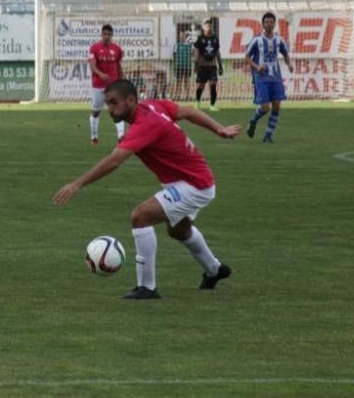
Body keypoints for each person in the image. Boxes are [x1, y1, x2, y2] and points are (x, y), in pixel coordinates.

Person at [53, 79, 238, 299]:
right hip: (191, 180)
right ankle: (215, 270)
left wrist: (77, 184)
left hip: (194, 185)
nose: (110, 109)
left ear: (130, 100)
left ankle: (147, 287)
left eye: (113, 103)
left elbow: (114, 161)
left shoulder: (146, 124)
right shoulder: (152, 106)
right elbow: (187, 112)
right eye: (107, 104)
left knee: (140, 217)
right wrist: (219, 129)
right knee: (178, 230)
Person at [244, 12, 293, 143]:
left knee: (276, 106)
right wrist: (256, 66)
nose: (269, 24)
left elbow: (285, 53)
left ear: (274, 24)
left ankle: (268, 135)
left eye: (271, 22)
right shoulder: (257, 40)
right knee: (265, 108)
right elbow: (247, 57)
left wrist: (289, 64)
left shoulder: (279, 40)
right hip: (261, 77)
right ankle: (252, 122)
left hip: (275, 77)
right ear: (263, 24)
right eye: (267, 22)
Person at [89, 24, 125, 145]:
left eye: (109, 34)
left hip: (113, 85)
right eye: (105, 34)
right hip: (98, 85)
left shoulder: (117, 49)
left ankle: (121, 137)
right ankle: (94, 136)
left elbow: (118, 65)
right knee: (96, 111)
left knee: (117, 110)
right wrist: (101, 74)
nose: (107, 36)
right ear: (101, 35)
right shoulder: (94, 48)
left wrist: (121, 79)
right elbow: (92, 66)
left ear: (112, 36)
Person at [193, 21, 223, 111]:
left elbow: (217, 52)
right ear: (204, 28)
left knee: (213, 84)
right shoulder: (200, 38)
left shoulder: (215, 39)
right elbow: (196, 52)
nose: (209, 28)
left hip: (212, 66)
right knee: (200, 86)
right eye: (207, 26)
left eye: (210, 26)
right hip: (202, 66)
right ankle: (197, 102)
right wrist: (196, 65)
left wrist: (220, 65)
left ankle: (212, 105)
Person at [172, 30, 194, 102]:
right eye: (180, 36)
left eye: (183, 36)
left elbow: (192, 55)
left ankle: (188, 96)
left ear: (185, 37)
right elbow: (174, 55)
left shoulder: (190, 46)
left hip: (187, 66)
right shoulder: (176, 45)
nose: (181, 37)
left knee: (186, 81)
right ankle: (177, 96)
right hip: (179, 66)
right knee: (178, 81)